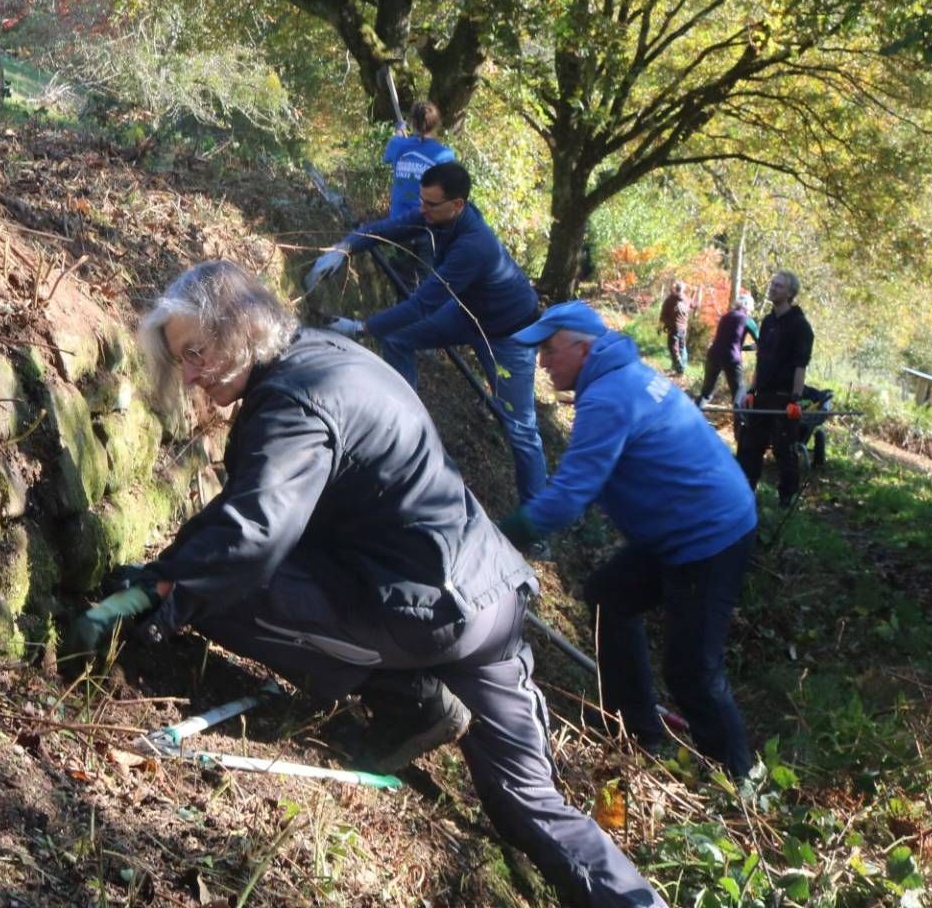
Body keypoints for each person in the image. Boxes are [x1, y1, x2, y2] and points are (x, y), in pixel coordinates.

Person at [75, 262, 666, 908]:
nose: (189, 374)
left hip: (427, 610)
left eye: (196, 352)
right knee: (527, 803)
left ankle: (413, 695)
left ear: (241, 329)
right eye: (180, 359)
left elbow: (254, 535)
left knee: (227, 594)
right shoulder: (327, 354)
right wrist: (174, 568)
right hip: (493, 602)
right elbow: (256, 506)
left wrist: (166, 594)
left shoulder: (294, 402)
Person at [497, 302, 757, 778]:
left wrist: (497, 537)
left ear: (583, 347)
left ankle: (737, 783)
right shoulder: (624, 376)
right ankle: (634, 730)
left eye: (550, 350)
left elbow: (570, 495)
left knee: (691, 669)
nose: (542, 362)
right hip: (685, 526)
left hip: (707, 536)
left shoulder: (609, 396)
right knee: (609, 596)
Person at [310, 162, 547, 504]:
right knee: (397, 338)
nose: (422, 209)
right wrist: (344, 247)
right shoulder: (437, 216)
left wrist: (361, 328)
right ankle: (409, 433)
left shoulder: (473, 245)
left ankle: (537, 523)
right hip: (469, 313)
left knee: (521, 430)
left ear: (457, 205)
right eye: (422, 200)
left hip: (509, 335)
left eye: (430, 204)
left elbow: (423, 305)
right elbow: (388, 229)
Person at [304, 100, 455, 285]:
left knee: (402, 280)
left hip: (398, 226)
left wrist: (399, 131)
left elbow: (391, 151)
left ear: (413, 123)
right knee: (424, 283)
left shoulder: (399, 145)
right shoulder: (445, 156)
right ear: (437, 123)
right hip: (428, 226)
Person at [736, 270, 814, 506]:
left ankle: (786, 498)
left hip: (783, 398)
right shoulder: (768, 321)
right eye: (772, 284)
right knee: (749, 445)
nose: (773, 288)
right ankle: (744, 492)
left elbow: (800, 366)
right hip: (762, 396)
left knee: (784, 450)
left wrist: (796, 399)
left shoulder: (800, 326)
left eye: (778, 286)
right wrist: (751, 391)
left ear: (790, 293)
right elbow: (762, 361)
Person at [696, 292, 755, 406]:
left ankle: (694, 417)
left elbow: (726, 342)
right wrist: (752, 347)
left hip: (713, 355)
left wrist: (744, 348)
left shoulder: (725, 316)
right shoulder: (748, 320)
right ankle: (740, 422)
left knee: (706, 392)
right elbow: (761, 341)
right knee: (738, 393)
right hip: (732, 358)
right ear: (748, 307)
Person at [658, 282, 691, 376]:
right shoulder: (686, 299)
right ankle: (678, 368)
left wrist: (660, 327)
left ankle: (680, 368)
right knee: (681, 348)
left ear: (675, 289)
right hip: (683, 328)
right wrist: (698, 292)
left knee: (673, 348)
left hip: (674, 327)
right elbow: (693, 305)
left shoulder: (670, 300)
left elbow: (662, 315)